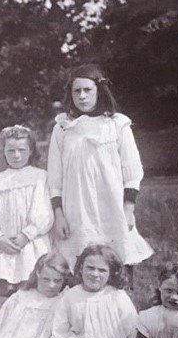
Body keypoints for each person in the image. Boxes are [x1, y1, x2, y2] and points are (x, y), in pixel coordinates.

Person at [47, 64, 152, 266]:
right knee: (80, 263)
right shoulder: (62, 128)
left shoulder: (116, 124)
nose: (82, 96)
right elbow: (54, 178)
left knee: (117, 259)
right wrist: (59, 215)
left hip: (111, 206)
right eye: (76, 91)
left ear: (99, 91)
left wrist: (128, 209)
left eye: (88, 90)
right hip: (75, 209)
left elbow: (132, 170)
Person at [0, 125, 53, 294]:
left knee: (31, 285)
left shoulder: (40, 177)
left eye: (21, 150)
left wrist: (26, 235)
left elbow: (44, 213)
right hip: (3, 243)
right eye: (11, 150)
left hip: (29, 242)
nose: (16, 155)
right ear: (3, 151)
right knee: (4, 288)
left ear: (31, 150)